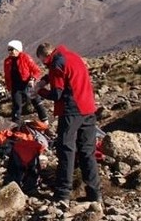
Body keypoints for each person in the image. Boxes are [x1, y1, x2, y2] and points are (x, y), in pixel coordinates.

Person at [35, 42, 102, 203]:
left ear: (45, 56)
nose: (44, 65)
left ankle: (62, 193)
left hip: (72, 111)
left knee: (66, 150)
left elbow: (57, 94)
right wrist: (45, 79)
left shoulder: (57, 62)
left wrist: (39, 91)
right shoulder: (72, 56)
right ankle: (94, 193)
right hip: (88, 108)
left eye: (43, 61)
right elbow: (62, 74)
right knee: (87, 152)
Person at [4, 40, 49, 125]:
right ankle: (15, 125)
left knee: (36, 102)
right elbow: (7, 76)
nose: (10, 52)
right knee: (16, 106)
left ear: (18, 49)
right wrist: (9, 88)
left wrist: (32, 79)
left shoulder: (25, 57)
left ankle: (45, 121)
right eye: (9, 50)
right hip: (15, 87)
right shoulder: (7, 61)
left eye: (12, 49)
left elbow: (36, 70)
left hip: (27, 85)